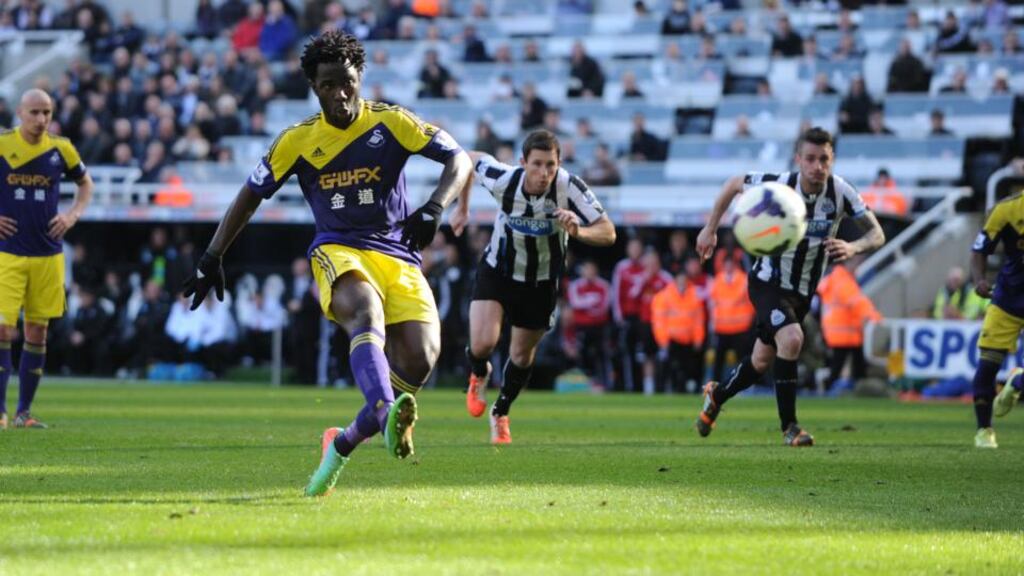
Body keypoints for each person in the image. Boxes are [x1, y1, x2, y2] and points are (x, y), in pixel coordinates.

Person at [181, 32, 473, 493]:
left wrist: (435, 207)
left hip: (398, 253)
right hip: (337, 249)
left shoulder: (391, 122)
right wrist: (212, 255)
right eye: (328, 85)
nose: (340, 93)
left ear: (361, 77)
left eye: (348, 82)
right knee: (364, 311)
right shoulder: (297, 141)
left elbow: (458, 158)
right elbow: (249, 196)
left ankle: (342, 443)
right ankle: (383, 412)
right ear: (314, 88)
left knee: (420, 359)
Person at [694, 127, 885, 446]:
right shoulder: (779, 186)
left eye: (824, 159)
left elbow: (877, 234)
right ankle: (790, 427)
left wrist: (853, 248)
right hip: (767, 282)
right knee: (793, 338)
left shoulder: (841, 192)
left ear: (832, 159)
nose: (817, 166)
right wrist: (710, 229)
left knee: (760, 362)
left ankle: (717, 395)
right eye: (810, 159)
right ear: (798, 159)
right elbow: (732, 184)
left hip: (802, 291)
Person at [463, 130, 616, 444]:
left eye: (551, 165)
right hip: (499, 271)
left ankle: (501, 410)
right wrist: (461, 207)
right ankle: (479, 372)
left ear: (559, 163)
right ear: (522, 162)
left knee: (521, 355)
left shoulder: (570, 187)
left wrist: (578, 232)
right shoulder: (503, 180)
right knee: (482, 344)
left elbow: (608, 232)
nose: (544, 173)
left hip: (541, 281)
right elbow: (467, 159)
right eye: (537, 164)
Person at [0, 89, 94, 430]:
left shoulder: (61, 148)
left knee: (37, 332)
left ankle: (24, 412)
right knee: (3, 329)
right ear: (21, 113)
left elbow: (86, 184)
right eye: (35, 113)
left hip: (47, 255)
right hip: (7, 253)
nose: (41, 120)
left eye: (47, 113)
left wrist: (72, 216)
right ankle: (0, 412)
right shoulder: (3, 145)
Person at [969, 191, 1024, 448]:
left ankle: (1018, 381)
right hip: (1008, 300)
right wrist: (979, 279)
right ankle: (984, 430)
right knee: (988, 365)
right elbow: (980, 249)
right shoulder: (1007, 210)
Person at [816, 262, 880, 390]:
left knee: (851, 363)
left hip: (837, 331)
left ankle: (854, 385)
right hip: (845, 332)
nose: (856, 269)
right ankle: (832, 387)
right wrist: (874, 315)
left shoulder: (831, 280)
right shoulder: (843, 281)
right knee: (842, 365)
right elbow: (856, 301)